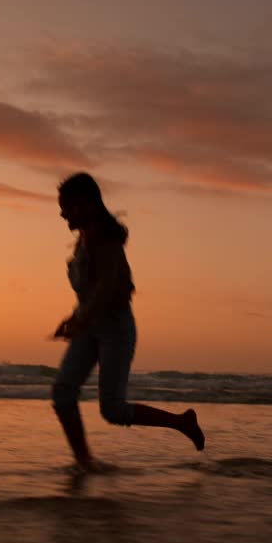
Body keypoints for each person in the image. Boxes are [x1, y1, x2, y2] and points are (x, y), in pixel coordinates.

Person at [50, 172, 205, 470]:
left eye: (66, 206)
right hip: (89, 326)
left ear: (85, 204)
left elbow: (111, 288)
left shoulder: (105, 240)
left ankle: (182, 422)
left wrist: (79, 319)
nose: (62, 213)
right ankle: (84, 462)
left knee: (112, 409)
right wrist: (74, 319)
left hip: (115, 328)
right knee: (62, 393)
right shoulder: (84, 240)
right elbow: (92, 292)